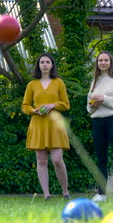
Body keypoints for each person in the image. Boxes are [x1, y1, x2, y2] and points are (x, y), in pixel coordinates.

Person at [22, 53, 70, 201]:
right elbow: (25, 105)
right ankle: (46, 194)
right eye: (42, 62)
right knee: (41, 160)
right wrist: (33, 110)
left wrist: (53, 105)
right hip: (38, 123)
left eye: (47, 62)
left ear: (52, 65)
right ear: (38, 65)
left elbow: (66, 104)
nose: (44, 64)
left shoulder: (59, 83)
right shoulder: (32, 85)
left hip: (55, 124)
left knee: (57, 160)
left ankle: (65, 191)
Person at [87, 51, 113, 203]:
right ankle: (101, 194)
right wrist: (95, 104)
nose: (103, 63)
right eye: (100, 61)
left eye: (106, 60)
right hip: (98, 123)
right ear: (97, 63)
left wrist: (104, 99)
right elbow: (89, 108)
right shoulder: (94, 82)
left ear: (111, 62)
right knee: (101, 159)